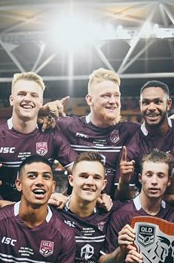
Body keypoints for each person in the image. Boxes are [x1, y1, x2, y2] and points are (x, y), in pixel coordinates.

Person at [0, 72, 78, 201]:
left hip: (39, 212)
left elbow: (80, 171)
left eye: (34, 95)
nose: (28, 99)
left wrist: (68, 200)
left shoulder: (51, 135)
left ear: (40, 102)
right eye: (22, 94)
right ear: (11, 99)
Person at [55, 68, 139, 199]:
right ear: (89, 100)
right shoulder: (68, 127)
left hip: (114, 212)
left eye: (116, 95)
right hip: (77, 213)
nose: (113, 101)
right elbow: (32, 123)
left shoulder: (131, 130)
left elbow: (163, 128)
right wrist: (44, 112)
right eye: (106, 95)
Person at [121, 81, 174, 196]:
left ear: (168, 104)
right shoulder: (132, 147)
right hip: (152, 209)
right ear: (140, 105)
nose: (151, 108)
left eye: (158, 102)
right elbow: (127, 198)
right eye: (146, 102)